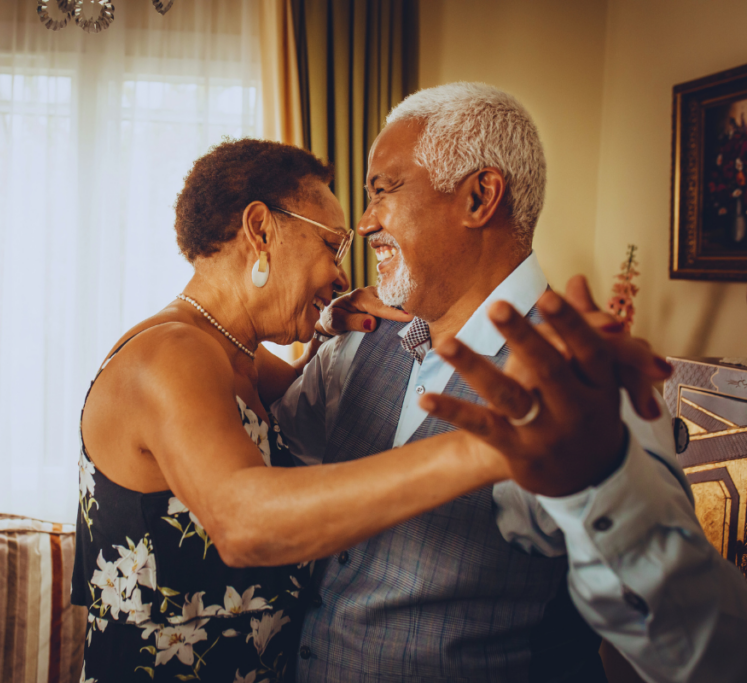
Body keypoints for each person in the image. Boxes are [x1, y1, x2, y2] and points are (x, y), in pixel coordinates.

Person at [70, 137, 669, 683]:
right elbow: (243, 523)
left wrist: (327, 328)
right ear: (261, 229)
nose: (341, 274)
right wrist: (491, 443)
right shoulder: (169, 356)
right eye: (332, 245)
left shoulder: (240, 359)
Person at [272, 82, 747, 683]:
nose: (365, 224)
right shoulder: (355, 340)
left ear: (479, 197)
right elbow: (266, 463)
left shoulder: (584, 384)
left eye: (383, 190)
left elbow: (709, 654)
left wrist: (604, 481)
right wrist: (311, 327)